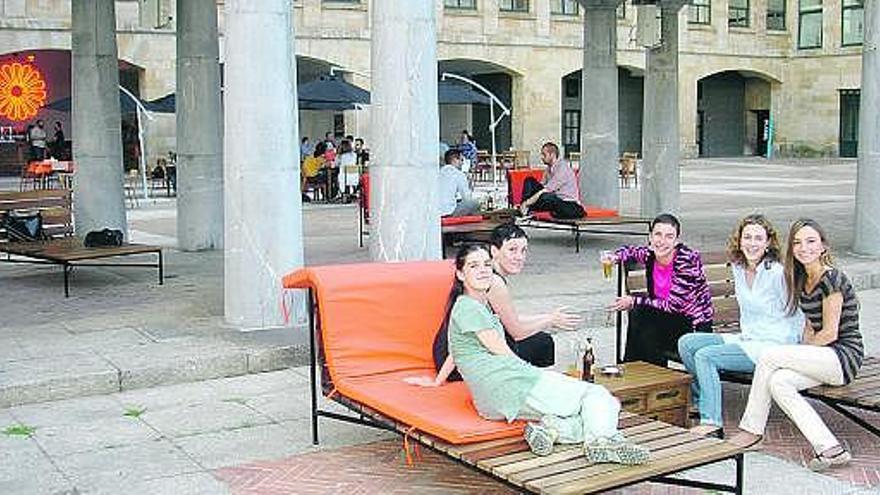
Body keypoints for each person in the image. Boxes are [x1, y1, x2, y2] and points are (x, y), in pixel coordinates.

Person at [409, 244, 649, 464]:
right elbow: (503, 352)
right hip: (509, 386)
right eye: (474, 265)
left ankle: (552, 430)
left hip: (491, 398)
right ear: (461, 274)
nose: (483, 270)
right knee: (600, 396)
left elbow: (456, 351)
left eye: (486, 265)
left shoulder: (468, 306)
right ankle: (602, 441)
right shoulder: (470, 308)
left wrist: (438, 381)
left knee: (588, 407)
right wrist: (535, 376)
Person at [729, 219, 863, 472]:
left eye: (811, 241)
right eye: (798, 243)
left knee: (769, 356)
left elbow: (830, 333)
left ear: (823, 246)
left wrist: (799, 352)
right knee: (779, 382)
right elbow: (810, 327)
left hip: (842, 357)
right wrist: (802, 350)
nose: (804, 248)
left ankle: (751, 430)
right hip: (822, 357)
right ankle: (830, 449)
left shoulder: (831, 278)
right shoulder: (802, 279)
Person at [677, 214, 803, 437]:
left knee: (706, 356)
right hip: (747, 338)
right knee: (687, 343)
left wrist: (793, 350)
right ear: (739, 240)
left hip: (771, 345)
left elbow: (796, 312)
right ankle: (702, 399)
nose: (752, 243)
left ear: (767, 243)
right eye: (747, 237)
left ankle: (712, 421)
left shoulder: (777, 274)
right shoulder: (738, 267)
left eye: (758, 238)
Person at [433, 223, 579, 378]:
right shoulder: (493, 281)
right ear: (494, 251)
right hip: (460, 359)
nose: (519, 257)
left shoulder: (491, 278)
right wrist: (550, 320)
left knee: (539, 340)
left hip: (452, 353)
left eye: (523, 251)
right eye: (512, 250)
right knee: (541, 343)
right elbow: (516, 332)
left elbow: (507, 320)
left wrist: (547, 317)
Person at [607, 213, 713, 366]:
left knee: (642, 315)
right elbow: (630, 251)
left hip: (693, 327)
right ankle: (639, 371)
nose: (662, 241)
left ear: (676, 240)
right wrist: (615, 257)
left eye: (669, 236)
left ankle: (638, 371)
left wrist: (634, 300)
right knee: (642, 317)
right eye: (658, 234)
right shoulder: (650, 254)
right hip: (667, 321)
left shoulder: (686, 261)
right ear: (650, 237)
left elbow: (675, 305)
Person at [520, 142, 583, 219]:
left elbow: (546, 190)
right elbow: (541, 187)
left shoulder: (562, 168)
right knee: (529, 181)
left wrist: (527, 203)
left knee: (546, 197)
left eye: (544, 154)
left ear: (552, 155)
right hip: (552, 197)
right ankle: (525, 208)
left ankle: (526, 207)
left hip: (565, 202)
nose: (542, 157)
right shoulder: (548, 169)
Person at [438, 149, 479, 217]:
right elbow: (467, 197)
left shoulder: (438, 172)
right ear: (454, 160)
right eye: (461, 160)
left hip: (436, 211)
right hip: (449, 212)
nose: (462, 163)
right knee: (474, 203)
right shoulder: (459, 174)